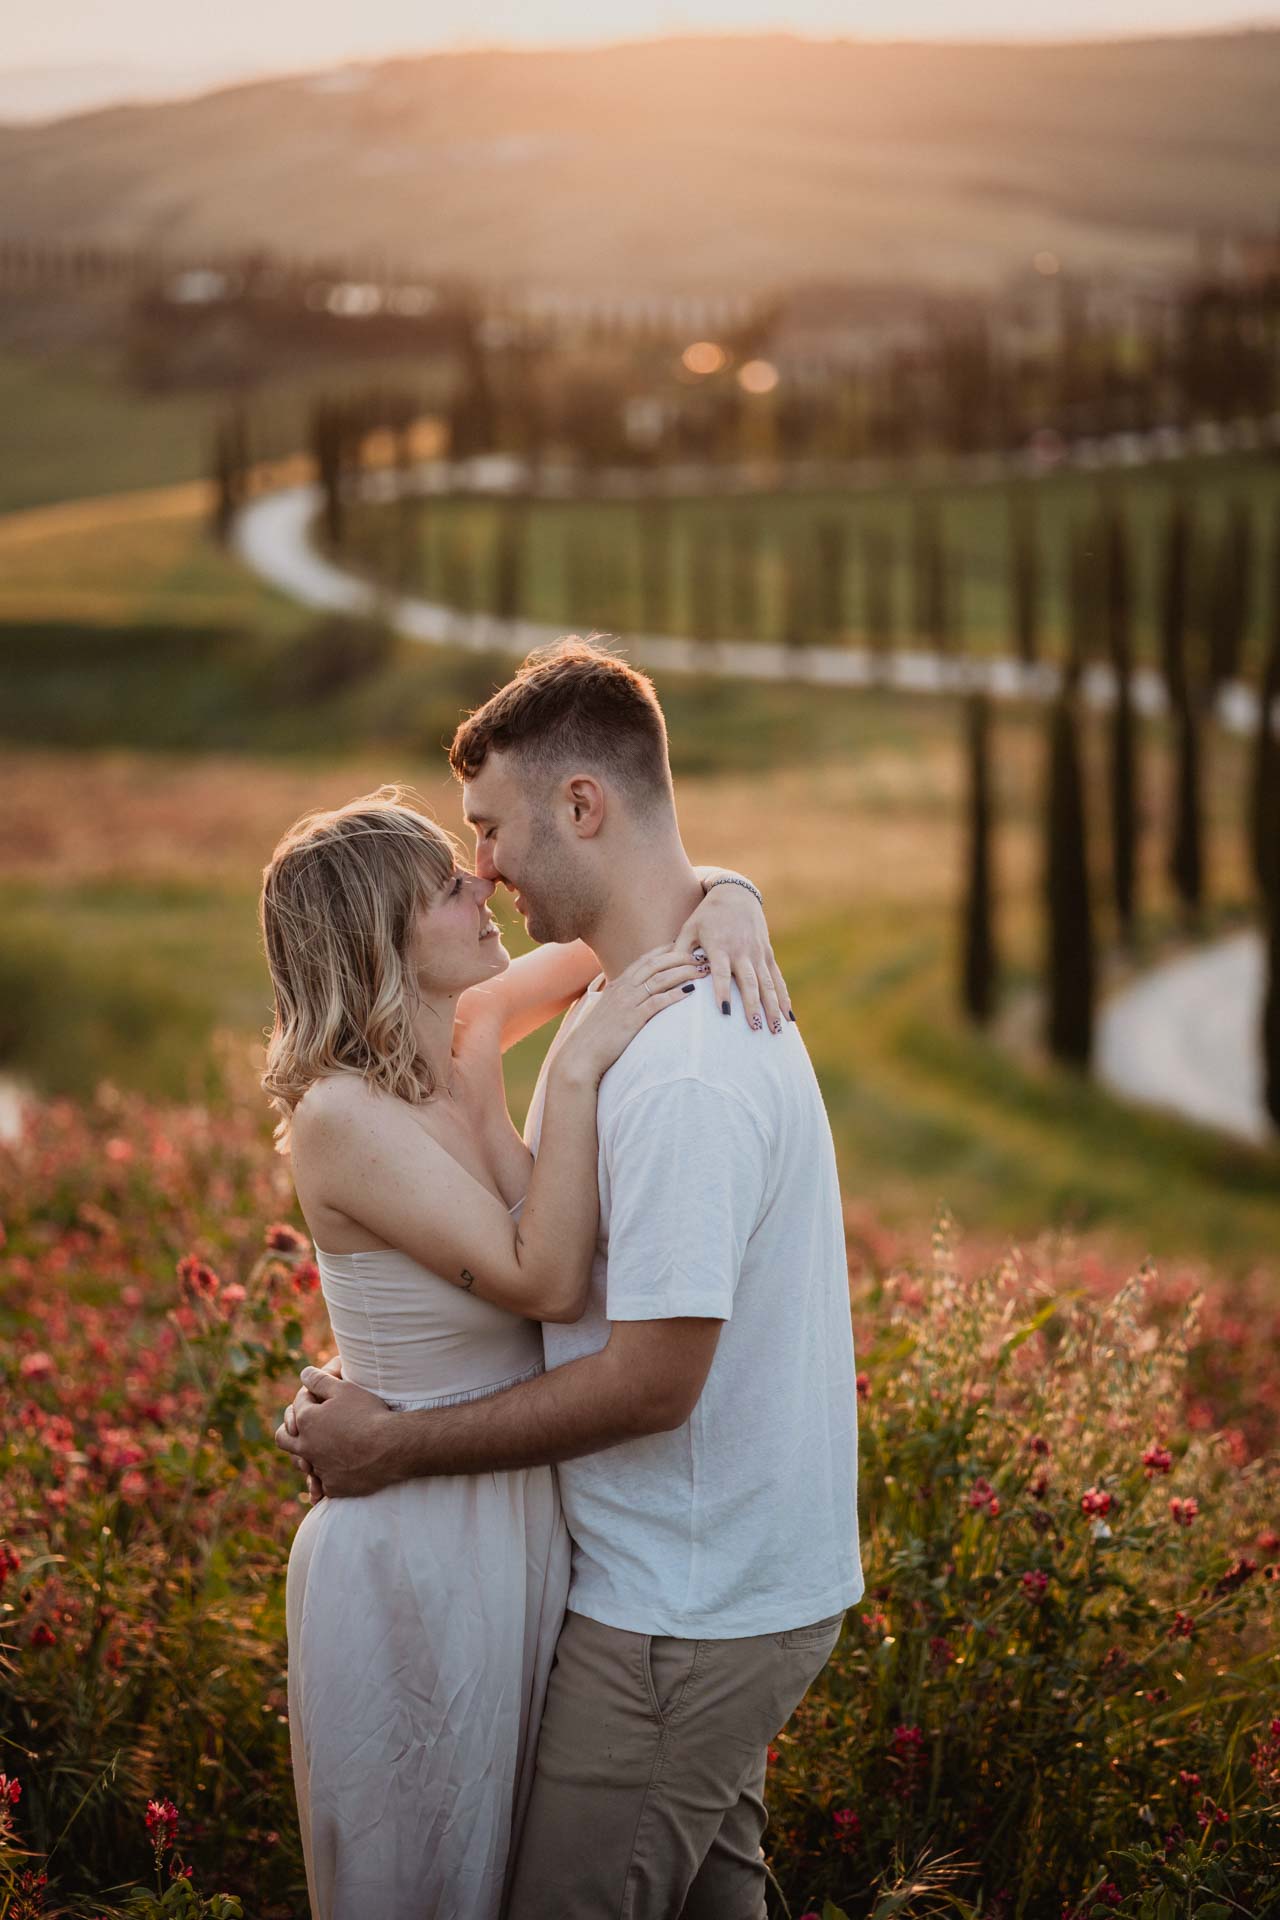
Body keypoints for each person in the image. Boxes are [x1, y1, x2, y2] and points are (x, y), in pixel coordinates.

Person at [278, 638, 863, 1919]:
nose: (480, 869)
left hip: (666, 1596)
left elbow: (629, 1360)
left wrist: (734, 891)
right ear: (376, 934)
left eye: (482, 836)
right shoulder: (394, 1093)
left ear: (579, 808)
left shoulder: (659, 1060)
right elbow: (630, 931)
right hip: (545, 1558)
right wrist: (618, 1025)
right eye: (451, 867)